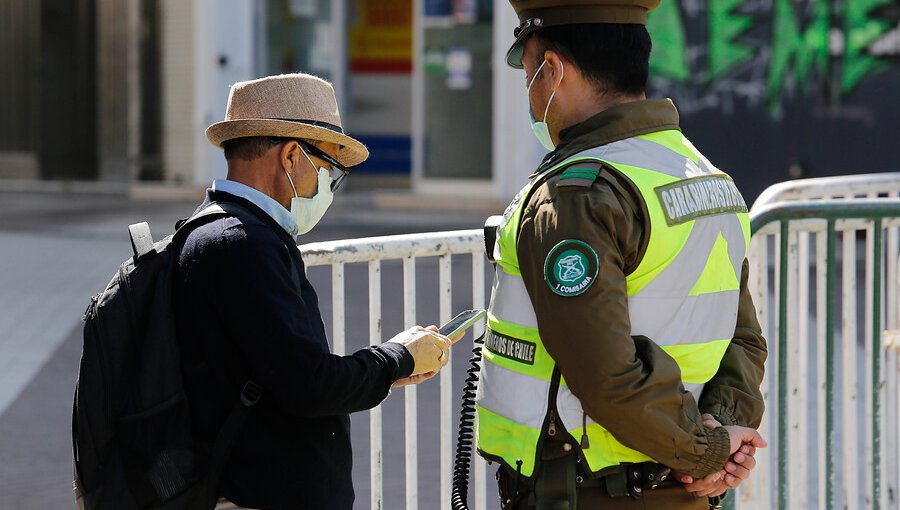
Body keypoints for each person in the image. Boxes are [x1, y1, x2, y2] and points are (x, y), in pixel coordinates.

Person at [475, 1, 769, 509]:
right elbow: (741, 338)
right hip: (682, 491)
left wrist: (706, 451)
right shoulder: (707, 179)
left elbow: (606, 374)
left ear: (553, 70)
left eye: (528, 75)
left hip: (588, 491)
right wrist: (722, 437)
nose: (530, 93)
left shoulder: (578, 194)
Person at [173, 73, 453, 510]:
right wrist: (396, 357)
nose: (329, 188)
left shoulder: (225, 231)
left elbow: (281, 371)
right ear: (291, 157)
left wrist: (393, 366)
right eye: (328, 172)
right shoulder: (243, 244)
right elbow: (310, 385)